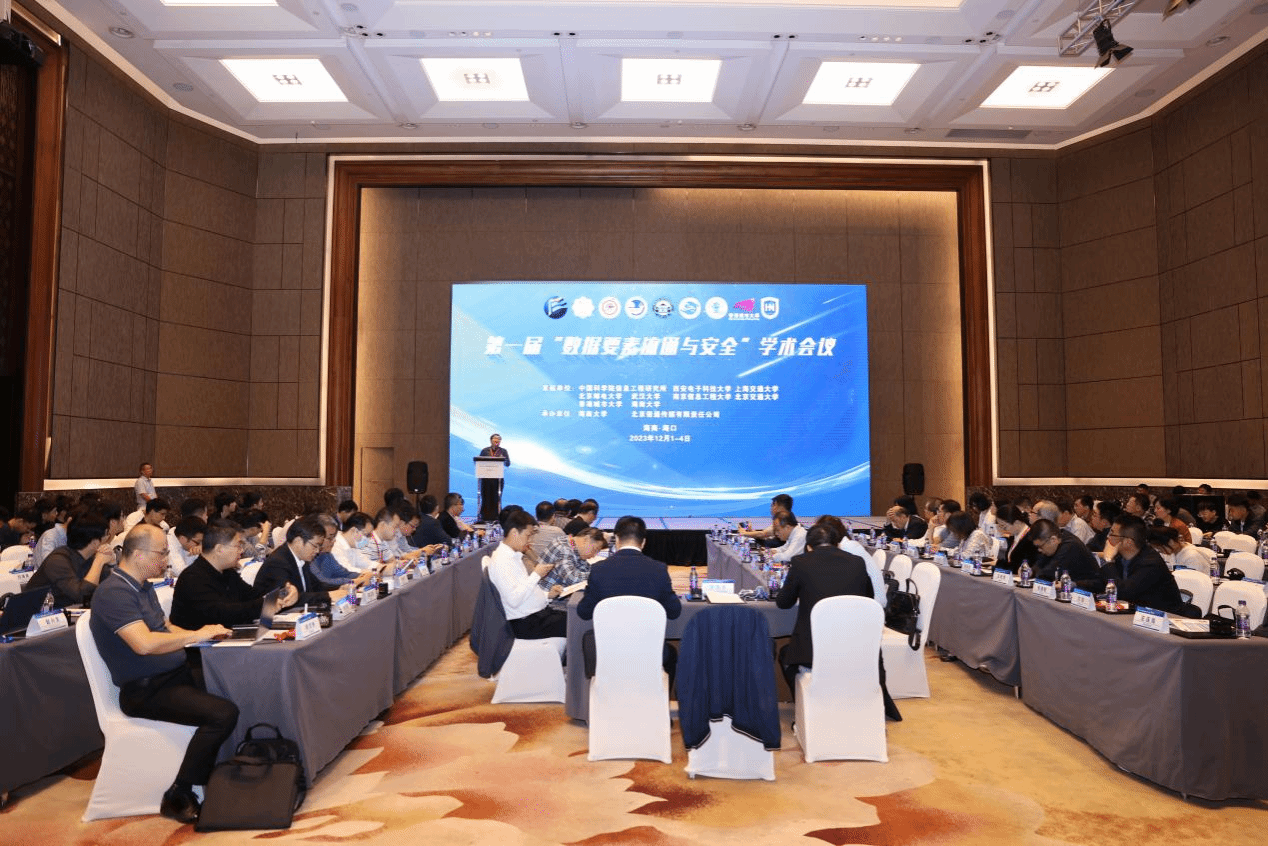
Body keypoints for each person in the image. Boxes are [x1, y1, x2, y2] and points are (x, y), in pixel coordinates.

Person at [89, 524, 239, 823]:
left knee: (234, 683)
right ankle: (179, 793)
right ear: (138, 554)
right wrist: (196, 635)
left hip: (173, 675)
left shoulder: (142, 587)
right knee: (223, 714)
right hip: (146, 690)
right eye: (162, 553)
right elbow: (144, 644)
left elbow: (166, 628)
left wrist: (205, 634)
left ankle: (231, 772)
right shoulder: (114, 593)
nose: (166, 559)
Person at [775, 525, 901, 721]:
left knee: (786, 655)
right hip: (857, 649)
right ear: (837, 544)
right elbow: (867, 599)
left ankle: (807, 713)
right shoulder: (857, 562)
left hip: (814, 654)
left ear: (809, 547)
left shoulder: (800, 563)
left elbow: (783, 603)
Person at [577, 516, 681, 681]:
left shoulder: (598, 569)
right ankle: (659, 693)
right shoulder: (659, 569)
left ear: (617, 540)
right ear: (643, 542)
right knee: (672, 653)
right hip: (648, 651)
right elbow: (674, 611)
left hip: (607, 651)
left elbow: (584, 612)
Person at [170, 520, 299, 629]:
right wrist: (266, 604)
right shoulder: (192, 578)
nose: (241, 551)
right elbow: (223, 615)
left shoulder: (227, 572)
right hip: (203, 646)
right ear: (219, 549)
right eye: (238, 546)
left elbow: (252, 595)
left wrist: (284, 593)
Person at [488, 509, 566, 638]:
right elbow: (514, 600)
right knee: (575, 623)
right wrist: (536, 575)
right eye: (528, 536)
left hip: (533, 616)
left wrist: (548, 595)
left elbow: (523, 590)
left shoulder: (513, 556)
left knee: (572, 618)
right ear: (514, 533)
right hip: (525, 623)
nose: (530, 541)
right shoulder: (502, 561)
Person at [1098, 515, 1185, 613]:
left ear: (1128, 542)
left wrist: (1108, 560)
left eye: (1112, 534)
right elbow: (1101, 583)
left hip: (1164, 617)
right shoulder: (1120, 557)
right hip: (1135, 613)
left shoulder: (1151, 563)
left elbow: (1123, 593)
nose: (1108, 537)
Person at [23, 513, 113, 607]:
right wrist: (98, 562)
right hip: (37, 613)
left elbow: (109, 591)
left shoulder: (90, 557)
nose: (108, 538)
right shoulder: (58, 560)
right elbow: (81, 596)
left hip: (68, 611)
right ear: (95, 542)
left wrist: (112, 564)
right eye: (107, 535)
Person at [253, 516, 340, 604]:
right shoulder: (277, 563)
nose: (317, 551)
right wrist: (328, 595)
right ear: (298, 541)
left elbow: (316, 585)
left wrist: (340, 588)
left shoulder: (302, 558)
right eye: (315, 546)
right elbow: (288, 599)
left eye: (319, 546)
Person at [1029, 518, 1102, 590]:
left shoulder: (1070, 546)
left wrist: (1033, 573)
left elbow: (1047, 574)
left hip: (1088, 591)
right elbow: (1039, 564)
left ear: (1053, 540)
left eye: (1040, 546)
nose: (1039, 550)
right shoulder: (1057, 540)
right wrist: (1031, 572)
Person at [538, 526, 606, 590]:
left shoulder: (572, 545)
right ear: (586, 539)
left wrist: (599, 570)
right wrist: (597, 573)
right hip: (547, 595)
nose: (594, 555)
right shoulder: (564, 548)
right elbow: (572, 579)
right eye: (594, 550)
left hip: (559, 591)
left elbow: (584, 568)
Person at [477, 434, 510, 521]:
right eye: (495, 438)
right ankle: (484, 517)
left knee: (497, 498)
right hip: (486, 479)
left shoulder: (503, 451)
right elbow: (479, 461)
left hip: (498, 479)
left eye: (499, 439)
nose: (497, 440)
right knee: (486, 497)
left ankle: (497, 517)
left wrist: (504, 459)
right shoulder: (485, 450)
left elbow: (508, 463)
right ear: (491, 440)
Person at [526, 500, 565, 565]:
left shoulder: (529, 530)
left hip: (531, 565)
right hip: (551, 567)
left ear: (536, 515)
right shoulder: (558, 531)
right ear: (553, 516)